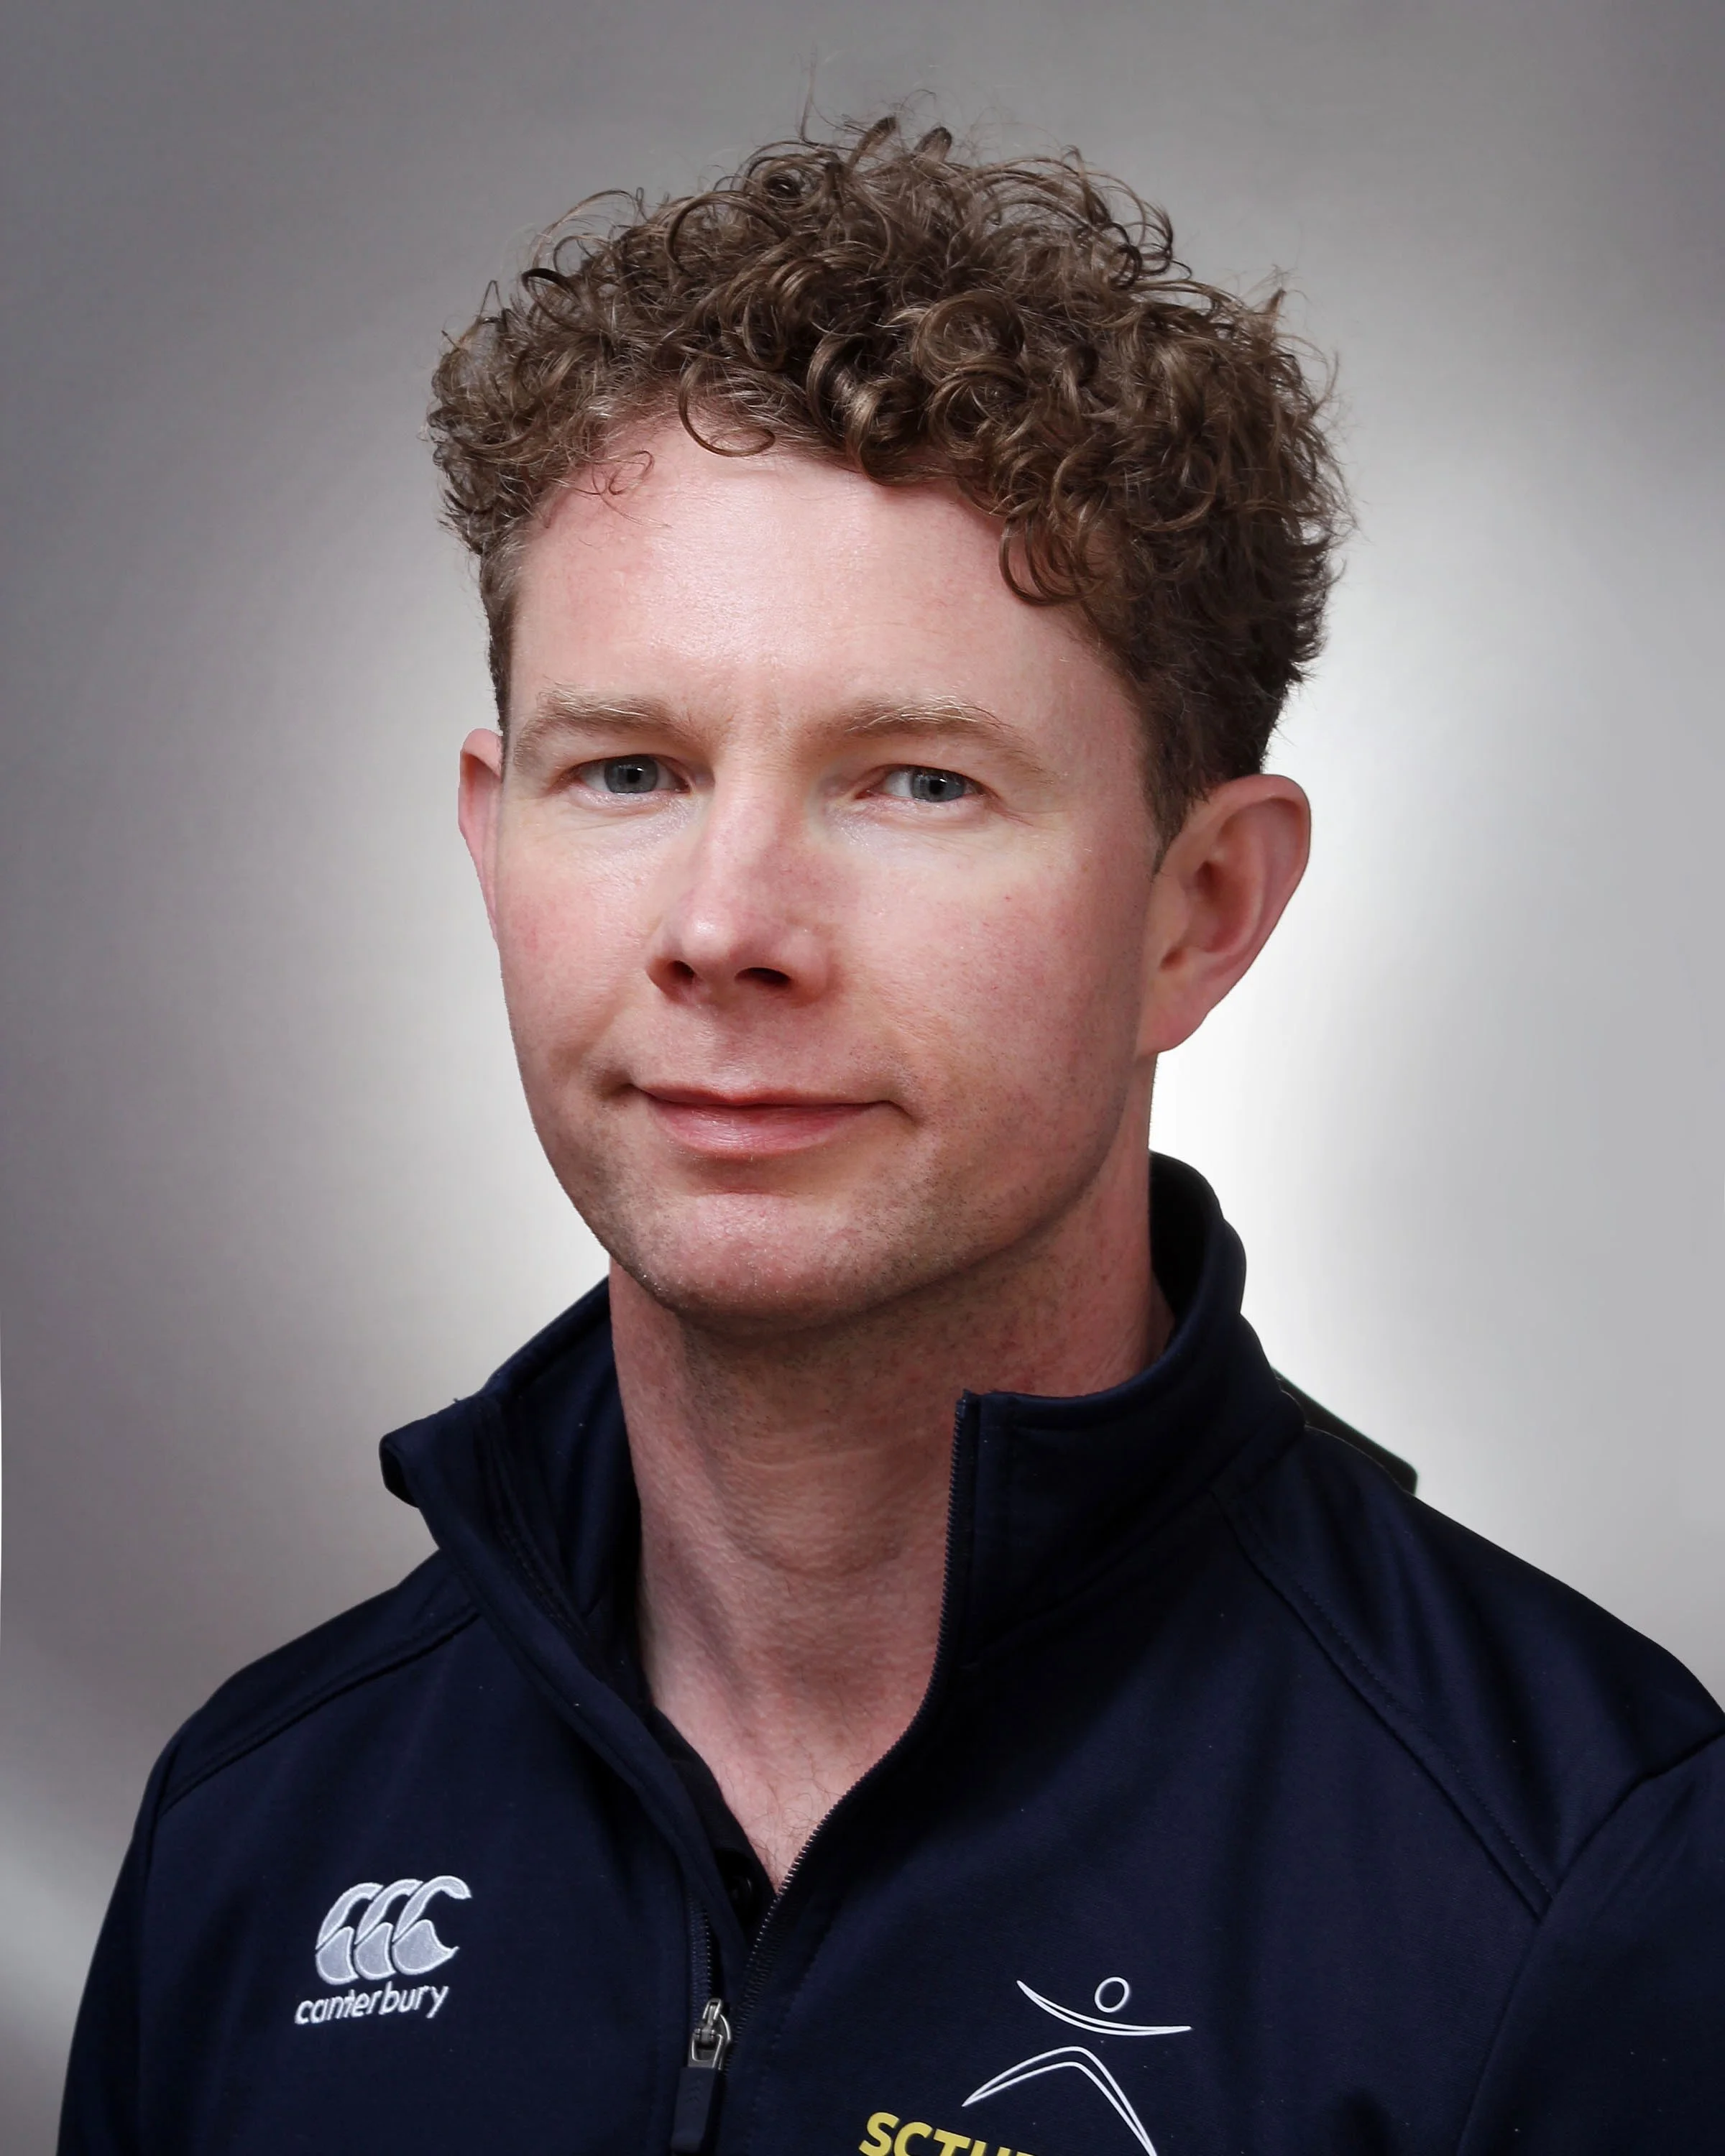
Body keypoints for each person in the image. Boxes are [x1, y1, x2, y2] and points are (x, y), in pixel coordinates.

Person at [60, 117, 1724, 2156]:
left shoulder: (1594, 1881)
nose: (727, 928)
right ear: (491, 839)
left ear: (1197, 912)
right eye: (633, 769)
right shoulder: (256, 1832)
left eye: (917, 781)